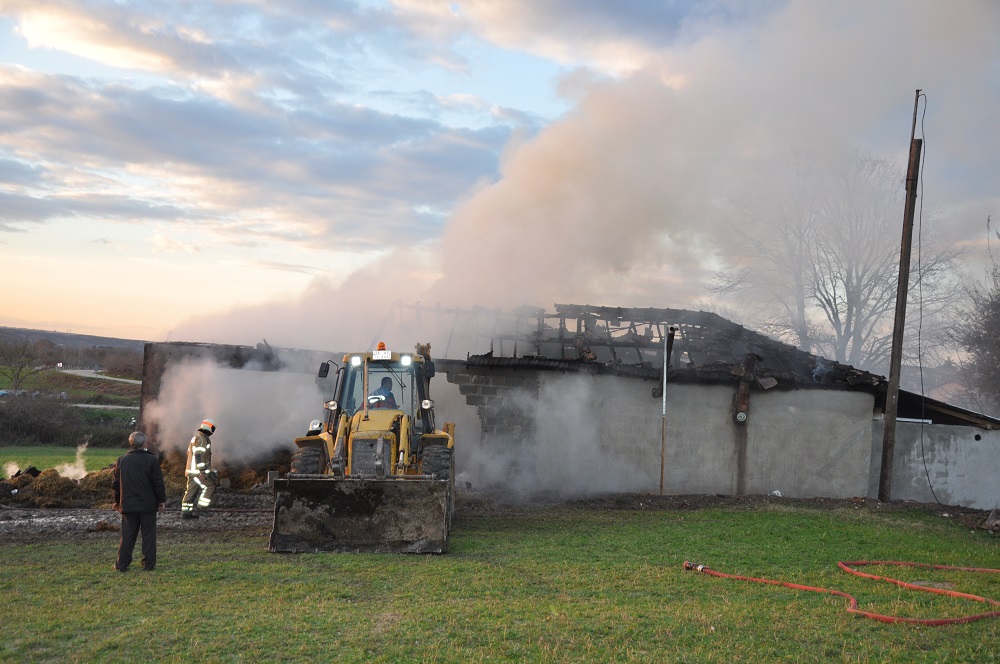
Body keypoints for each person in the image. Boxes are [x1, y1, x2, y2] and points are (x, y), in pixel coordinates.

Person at [112, 431, 166, 572]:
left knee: (127, 535)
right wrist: (161, 501)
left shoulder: (121, 460)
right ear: (144, 443)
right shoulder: (152, 460)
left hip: (128, 505)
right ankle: (148, 564)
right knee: (148, 535)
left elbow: (116, 485)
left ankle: (121, 565)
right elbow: (158, 483)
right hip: (147, 506)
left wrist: (117, 502)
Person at [181, 418, 218, 519]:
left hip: (191, 471)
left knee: (191, 491)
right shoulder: (202, 439)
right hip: (197, 472)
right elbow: (198, 455)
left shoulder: (196, 437)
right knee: (210, 486)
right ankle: (201, 509)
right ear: (210, 428)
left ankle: (186, 513)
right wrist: (203, 471)